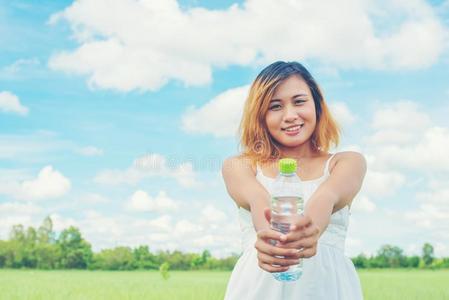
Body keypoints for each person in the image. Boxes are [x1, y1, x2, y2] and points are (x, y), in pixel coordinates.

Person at [222, 61, 366, 299]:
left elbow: (326, 197)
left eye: (299, 101)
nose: (290, 115)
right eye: (275, 106)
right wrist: (272, 237)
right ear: (260, 115)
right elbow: (260, 202)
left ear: (317, 106)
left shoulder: (348, 162)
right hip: (258, 289)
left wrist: (309, 230)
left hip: (327, 288)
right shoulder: (239, 165)